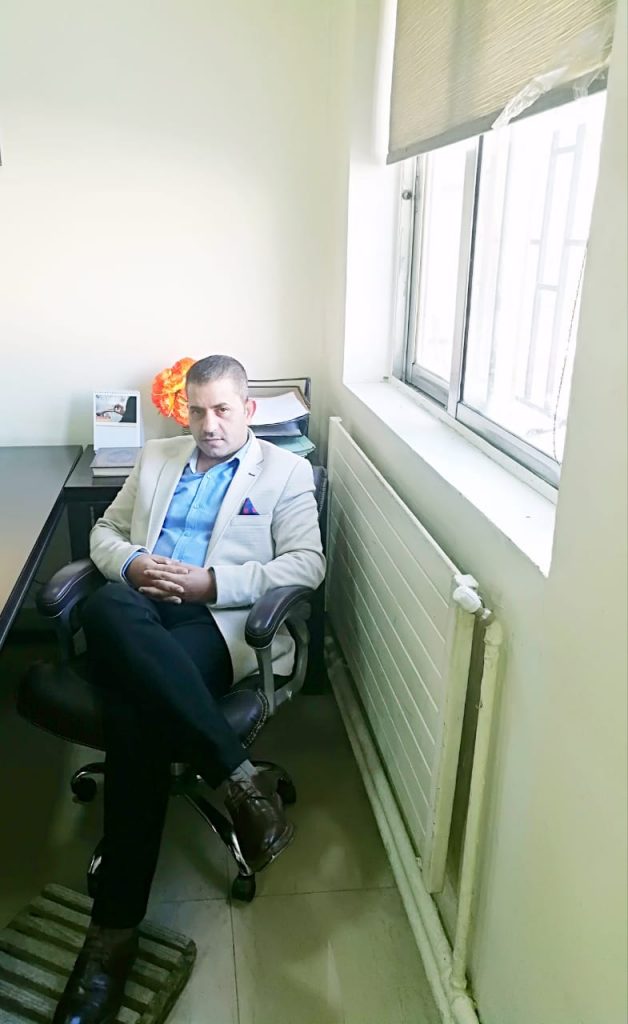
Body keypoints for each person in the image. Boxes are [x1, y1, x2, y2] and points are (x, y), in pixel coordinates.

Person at [53, 355, 325, 1024]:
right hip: (138, 612)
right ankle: (239, 782)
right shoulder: (156, 457)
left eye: (223, 410)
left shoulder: (285, 472)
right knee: (109, 606)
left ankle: (111, 939)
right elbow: (106, 531)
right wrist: (133, 564)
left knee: (138, 721)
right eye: (197, 411)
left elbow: (307, 564)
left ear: (247, 409)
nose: (209, 425)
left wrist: (212, 584)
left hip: (215, 623)